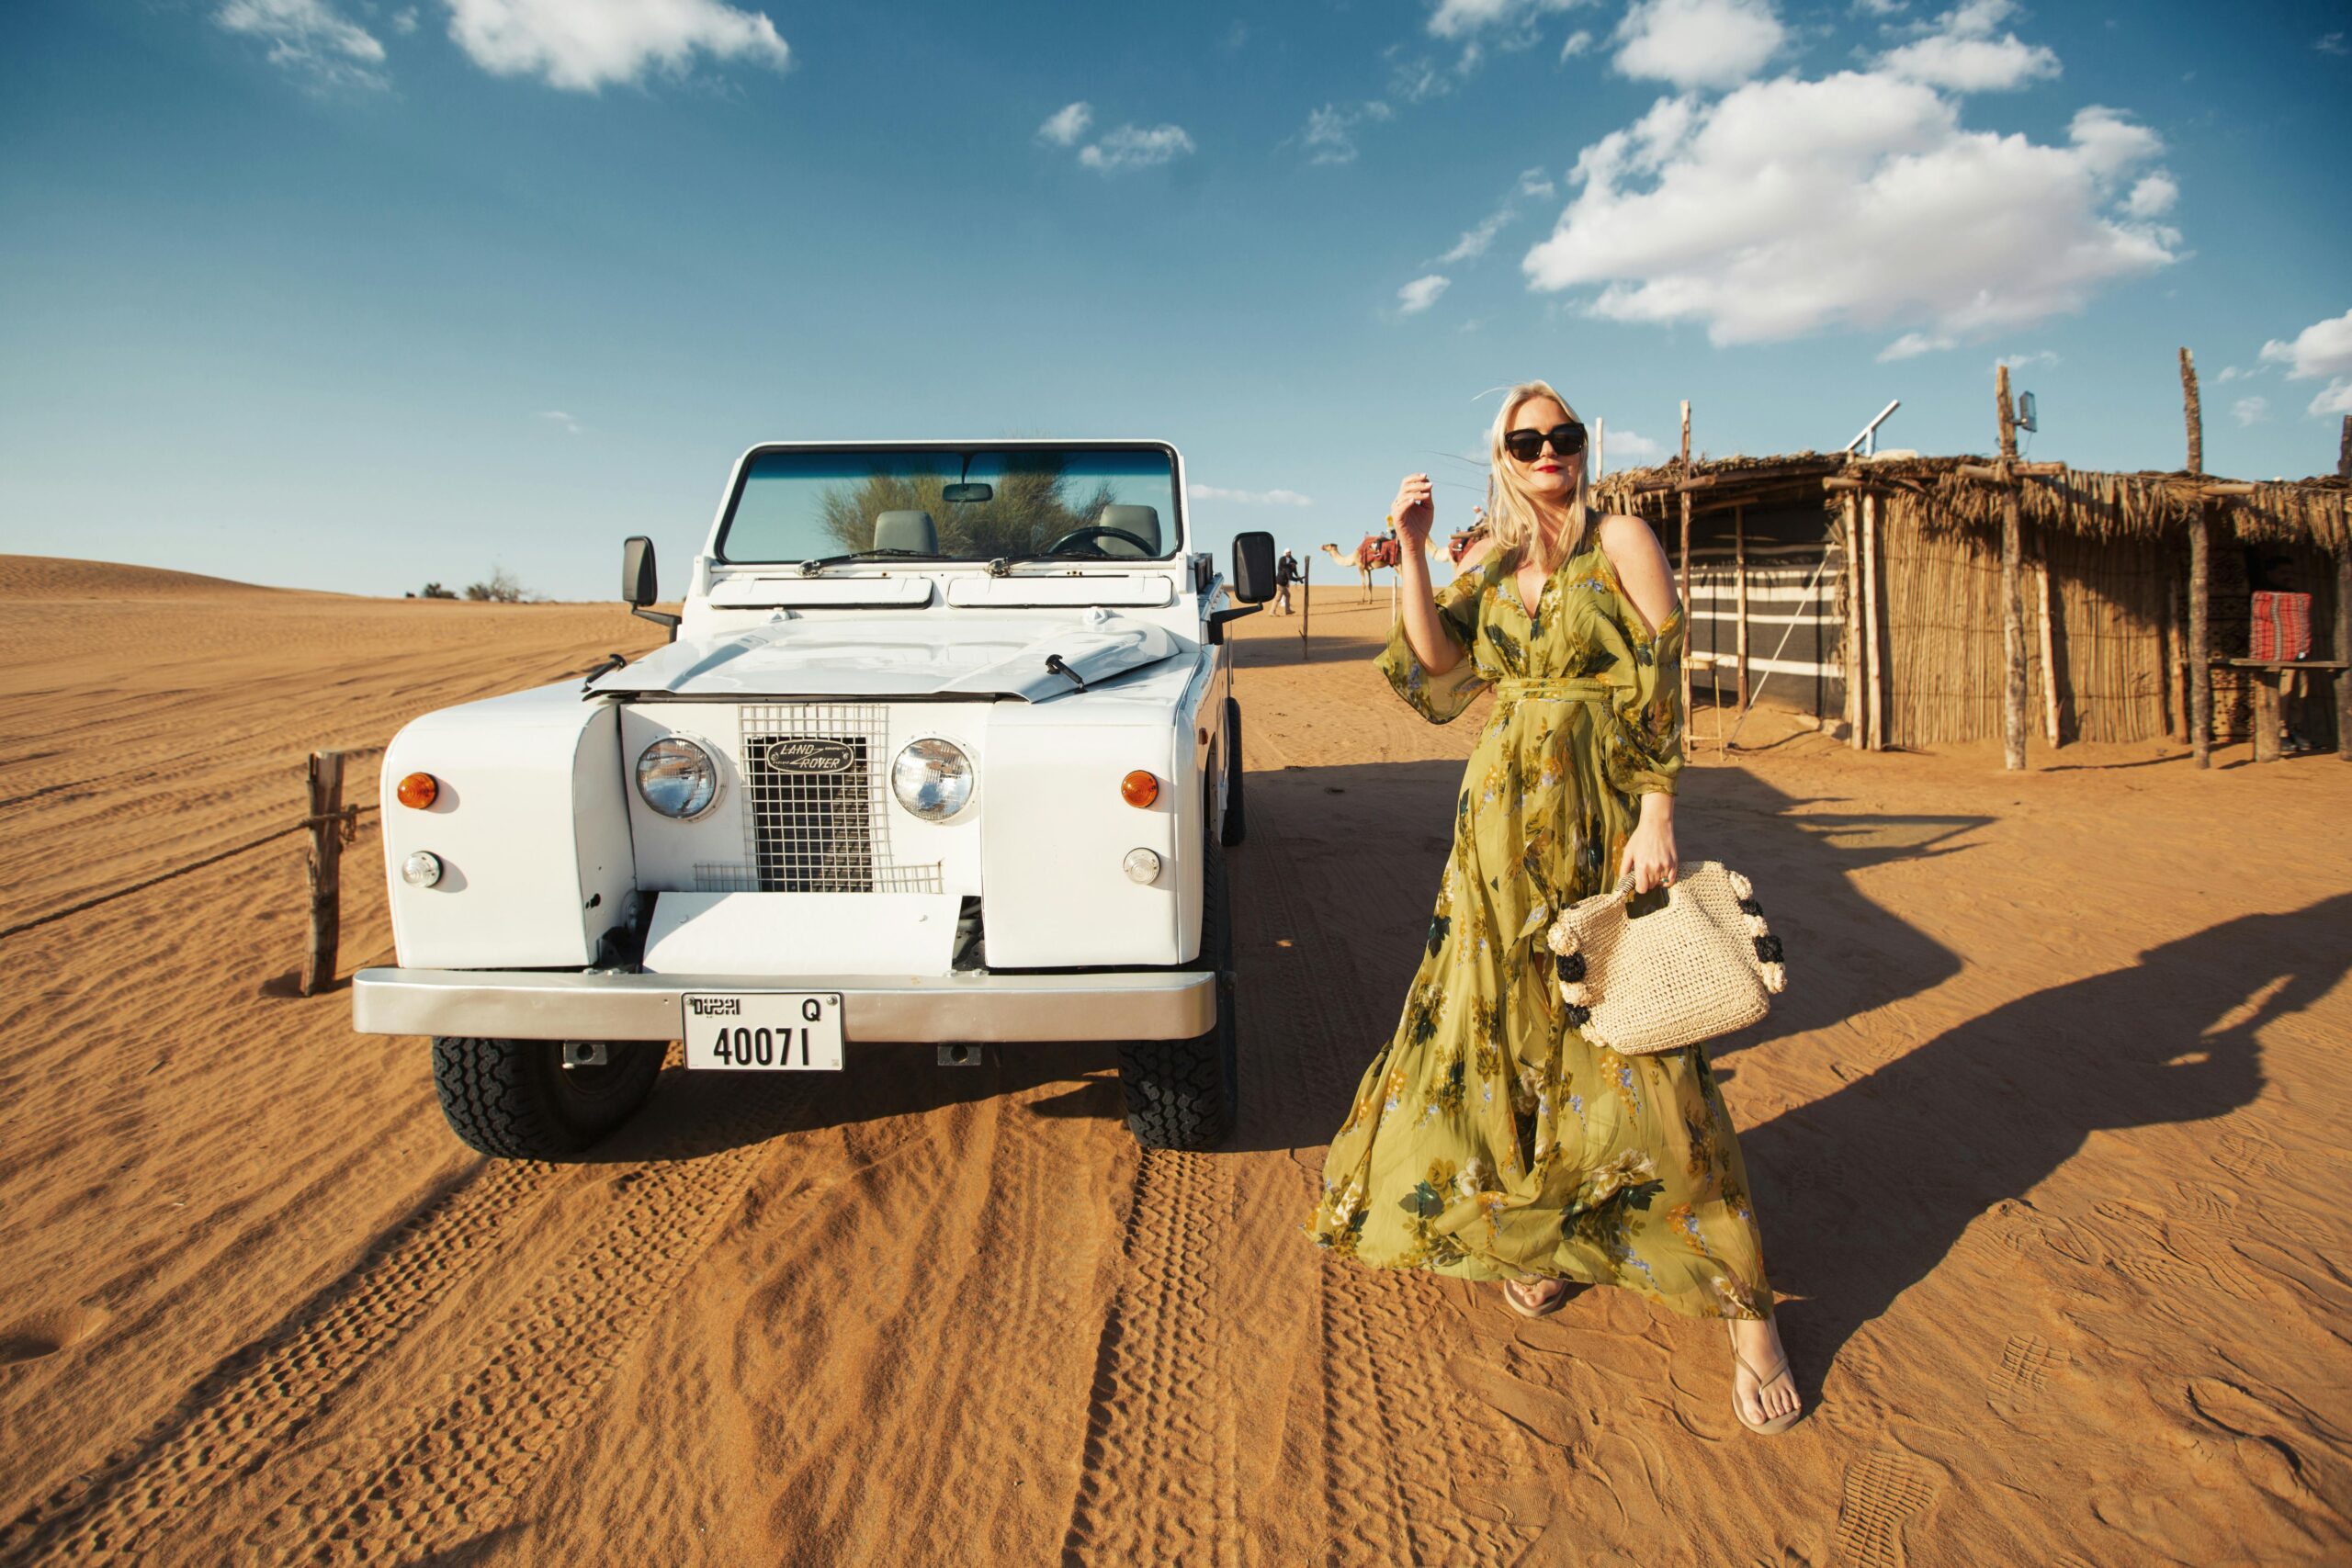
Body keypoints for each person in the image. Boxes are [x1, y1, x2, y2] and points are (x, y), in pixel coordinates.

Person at [1303, 379, 1802, 1436]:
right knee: (1511, 1045)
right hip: (1491, 834)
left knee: (1641, 1048)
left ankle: (1745, 1306)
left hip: (1595, 817)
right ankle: (1542, 1237)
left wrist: (1657, 810)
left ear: (1584, 447)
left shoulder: (1618, 537)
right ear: (1502, 451)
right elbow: (1438, 673)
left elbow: (1665, 679)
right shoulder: (1490, 559)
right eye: (1527, 440)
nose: (1547, 452)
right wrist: (1416, 549)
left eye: (1562, 436)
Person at [1275, 548, 1299, 615]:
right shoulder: (1283, 560)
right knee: (1278, 598)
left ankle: (1287, 610)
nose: (1289, 553)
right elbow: (1290, 577)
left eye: (1290, 552)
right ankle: (1273, 611)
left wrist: (1297, 576)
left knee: (1288, 595)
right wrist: (1297, 579)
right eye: (1288, 552)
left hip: (1285, 581)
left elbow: (1294, 566)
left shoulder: (1290, 561)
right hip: (1281, 581)